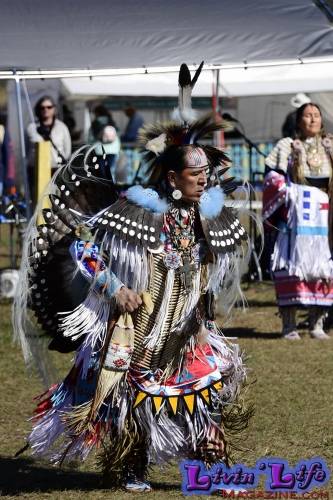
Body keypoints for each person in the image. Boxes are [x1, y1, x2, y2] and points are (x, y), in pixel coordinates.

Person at [14, 64, 251, 492]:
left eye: (205, 174)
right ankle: (129, 467)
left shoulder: (204, 217)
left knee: (203, 397)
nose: (203, 180)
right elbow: (82, 248)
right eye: (194, 175)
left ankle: (214, 472)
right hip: (138, 330)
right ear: (173, 178)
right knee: (133, 405)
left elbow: (201, 278)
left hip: (182, 331)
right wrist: (115, 287)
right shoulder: (136, 211)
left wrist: (200, 320)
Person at [263, 102, 333, 340]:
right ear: (298, 120)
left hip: (324, 220)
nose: (313, 120)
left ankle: (317, 323)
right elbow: (272, 177)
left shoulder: (330, 145)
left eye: (316, 115)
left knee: (322, 267)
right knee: (292, 266)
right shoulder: (286, 146)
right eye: (307, 116)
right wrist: (287, 191)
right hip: (296, 218)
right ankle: (289, 325)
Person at [26, 95, 71, 202]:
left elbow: (67, 149)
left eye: (49, 107)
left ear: (54, 109)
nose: (46, 110)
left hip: (56, 169)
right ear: (38, 110)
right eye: (42, 107)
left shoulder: (62, 127)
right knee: (38, 200)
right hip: (36, 169)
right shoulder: (32, 128)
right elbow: (27, 150)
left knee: (56, 200)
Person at [89, 105, 120, 181]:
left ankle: (103, 190)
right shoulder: (111, 121)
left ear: (97, 113)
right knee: (110, 172)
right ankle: (111, 189)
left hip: (99, 150)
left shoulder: (95, 123)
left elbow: (90, 139)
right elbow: (118, 134)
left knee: (101, 174)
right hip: (113, 150)